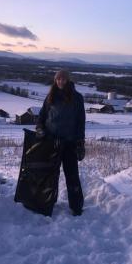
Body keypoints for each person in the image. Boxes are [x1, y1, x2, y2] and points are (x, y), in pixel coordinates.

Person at [36, 69, 85, 216]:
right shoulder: (51, 96)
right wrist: (40, 129)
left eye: (63, 79)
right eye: (58, 79)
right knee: (50, 176)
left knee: (72, 176)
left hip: (69, 143)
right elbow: (42, 117)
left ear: (68, 80)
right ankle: (47, 203)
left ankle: (76, 207)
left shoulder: (77, 98)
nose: (60, 82)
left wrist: (80, 142)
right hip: (51, 143)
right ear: (55, 80)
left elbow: (80, 121)